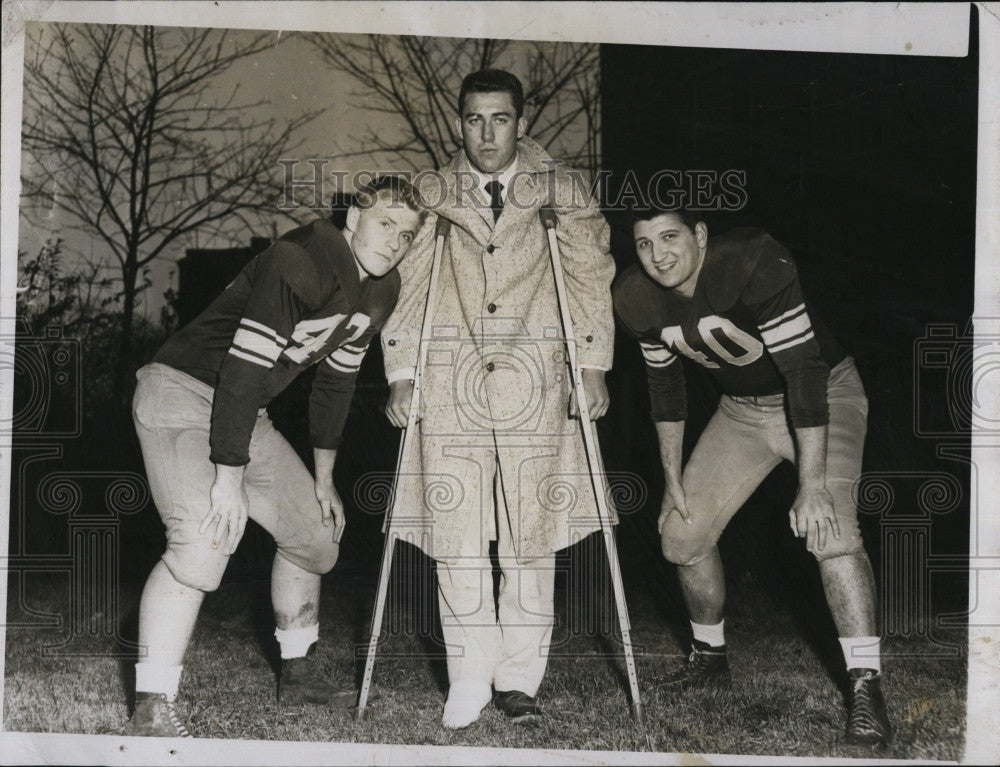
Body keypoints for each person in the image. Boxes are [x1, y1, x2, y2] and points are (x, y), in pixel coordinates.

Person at [124, 176, 426, 737]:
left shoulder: (381, 289)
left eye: (407, 235)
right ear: (353, 218)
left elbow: (335, 384)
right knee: (203, 539)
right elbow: (241, 370)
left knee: (316, 536)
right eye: (386, 224)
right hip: (180, 392)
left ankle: (299, 672)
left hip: (245, 410)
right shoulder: (300, 258)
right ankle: (151, 707)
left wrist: (325, 479)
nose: (395, 241)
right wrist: (227, 479)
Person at [382, 69, 616, 729]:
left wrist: (592, 363)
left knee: (528, 534)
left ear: (521, 120)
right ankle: (468, 676)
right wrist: (402, 371)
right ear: (460, 122)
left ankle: (517, 678)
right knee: (453, 530)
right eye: (474, 119)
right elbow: (406, 282)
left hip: (535, 377)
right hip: (450, 377)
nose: (487, 134)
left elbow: (591, 273)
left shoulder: (561, 188)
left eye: (501, 119)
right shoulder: (431, 193)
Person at [612, 208, 893, 746]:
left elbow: (804, 372)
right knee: (681, 534)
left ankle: (865, 687)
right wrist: (671, 479)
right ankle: (710, 658)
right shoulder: (635, 297)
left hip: (821, 395)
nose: (658, 255)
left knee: (829, 529)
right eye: (644, 244)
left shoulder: (751, 260)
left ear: (699, 235)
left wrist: (811, 485)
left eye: (670, 237)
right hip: (741, 410)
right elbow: (665, 390)